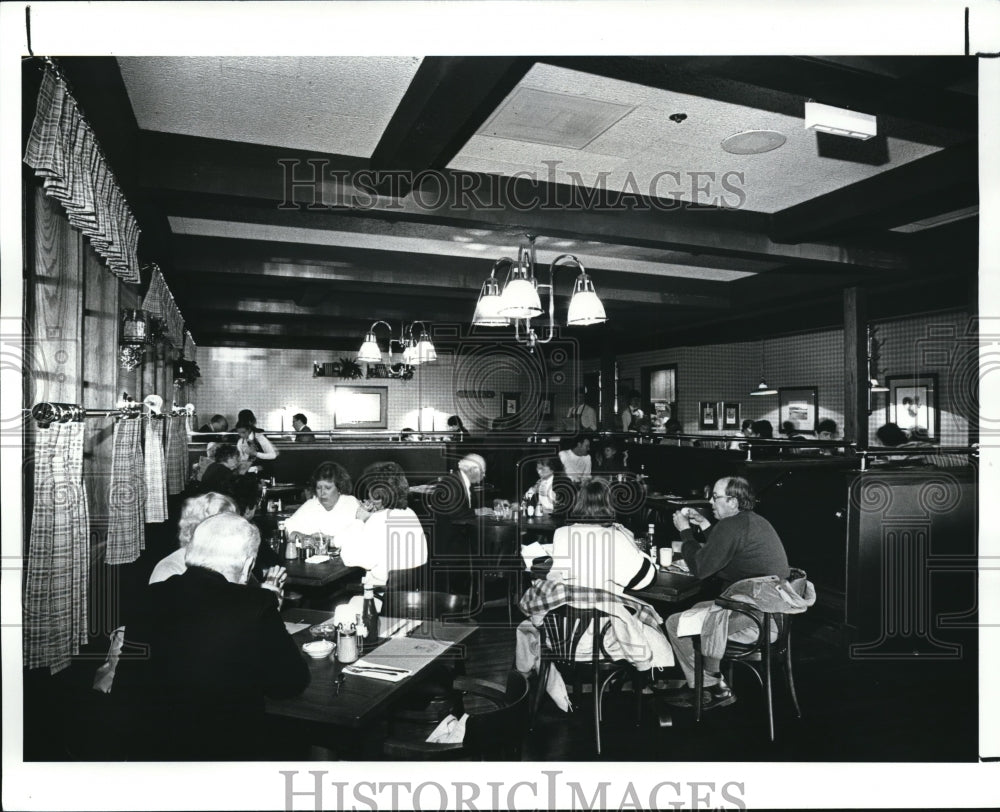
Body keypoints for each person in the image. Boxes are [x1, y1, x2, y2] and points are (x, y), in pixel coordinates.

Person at [117, 514, 309, 759]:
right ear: (248, 563)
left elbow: (128, 680)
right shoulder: (254, 604)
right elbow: (290, 682)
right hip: (224, 752)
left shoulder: (149, 595)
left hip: (148, 750)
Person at [664, 476, 790, 711]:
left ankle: (711, 688)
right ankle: (711, 684)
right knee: (695, 610)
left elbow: (701, 568)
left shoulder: (732, 525)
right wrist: (703, 524)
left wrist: (685, 532)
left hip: (754, 622)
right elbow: (725, 548)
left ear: (732, 501)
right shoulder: (750, 521)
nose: (710, 501)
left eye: (715, 497)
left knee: (674, 623)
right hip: (774, 616)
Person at [550, 479, 657, 595]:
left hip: (568, 608)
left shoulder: (560, 533)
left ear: (578, 503)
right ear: (611, 505)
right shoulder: (616, 538)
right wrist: (633, 544)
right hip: (605, 610)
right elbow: (646, 580)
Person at [337, 462, 428, 594]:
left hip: (382, 598)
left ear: (377, 494)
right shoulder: (409, 513)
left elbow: (350, 559)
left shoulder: (378, 520)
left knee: (338, 605)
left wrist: (359, 521)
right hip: (412, 597)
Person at [284, 461, 360, 542]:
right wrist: (307, 538)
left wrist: (328, 540)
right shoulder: (311, 504)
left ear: (339, 488)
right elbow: (286, 530)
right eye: (319, 488)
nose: (322, 493)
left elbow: (360, 535)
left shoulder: (351, 503)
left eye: (328, 488)